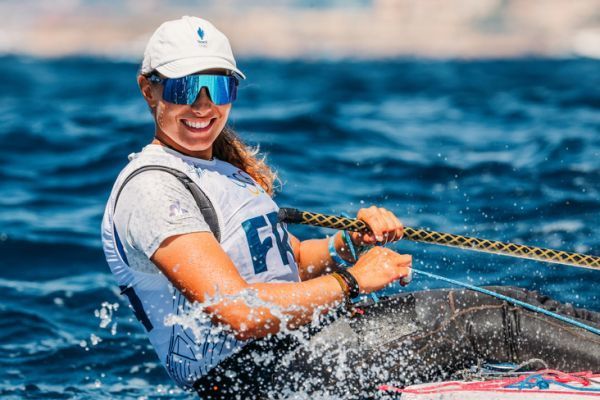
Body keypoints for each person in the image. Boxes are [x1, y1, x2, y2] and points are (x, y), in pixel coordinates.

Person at [102, 16, 600, 400]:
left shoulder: (222, 172)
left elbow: (288, 263)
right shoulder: (154, 190)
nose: (204, 105)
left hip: (298, 347)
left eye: (220, 87)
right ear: (149, 89)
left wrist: (347, 244)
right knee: (489, 323)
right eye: (186, 87)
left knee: (513, 299)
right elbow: (240, 312)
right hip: (259, 377)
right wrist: (353, 281)